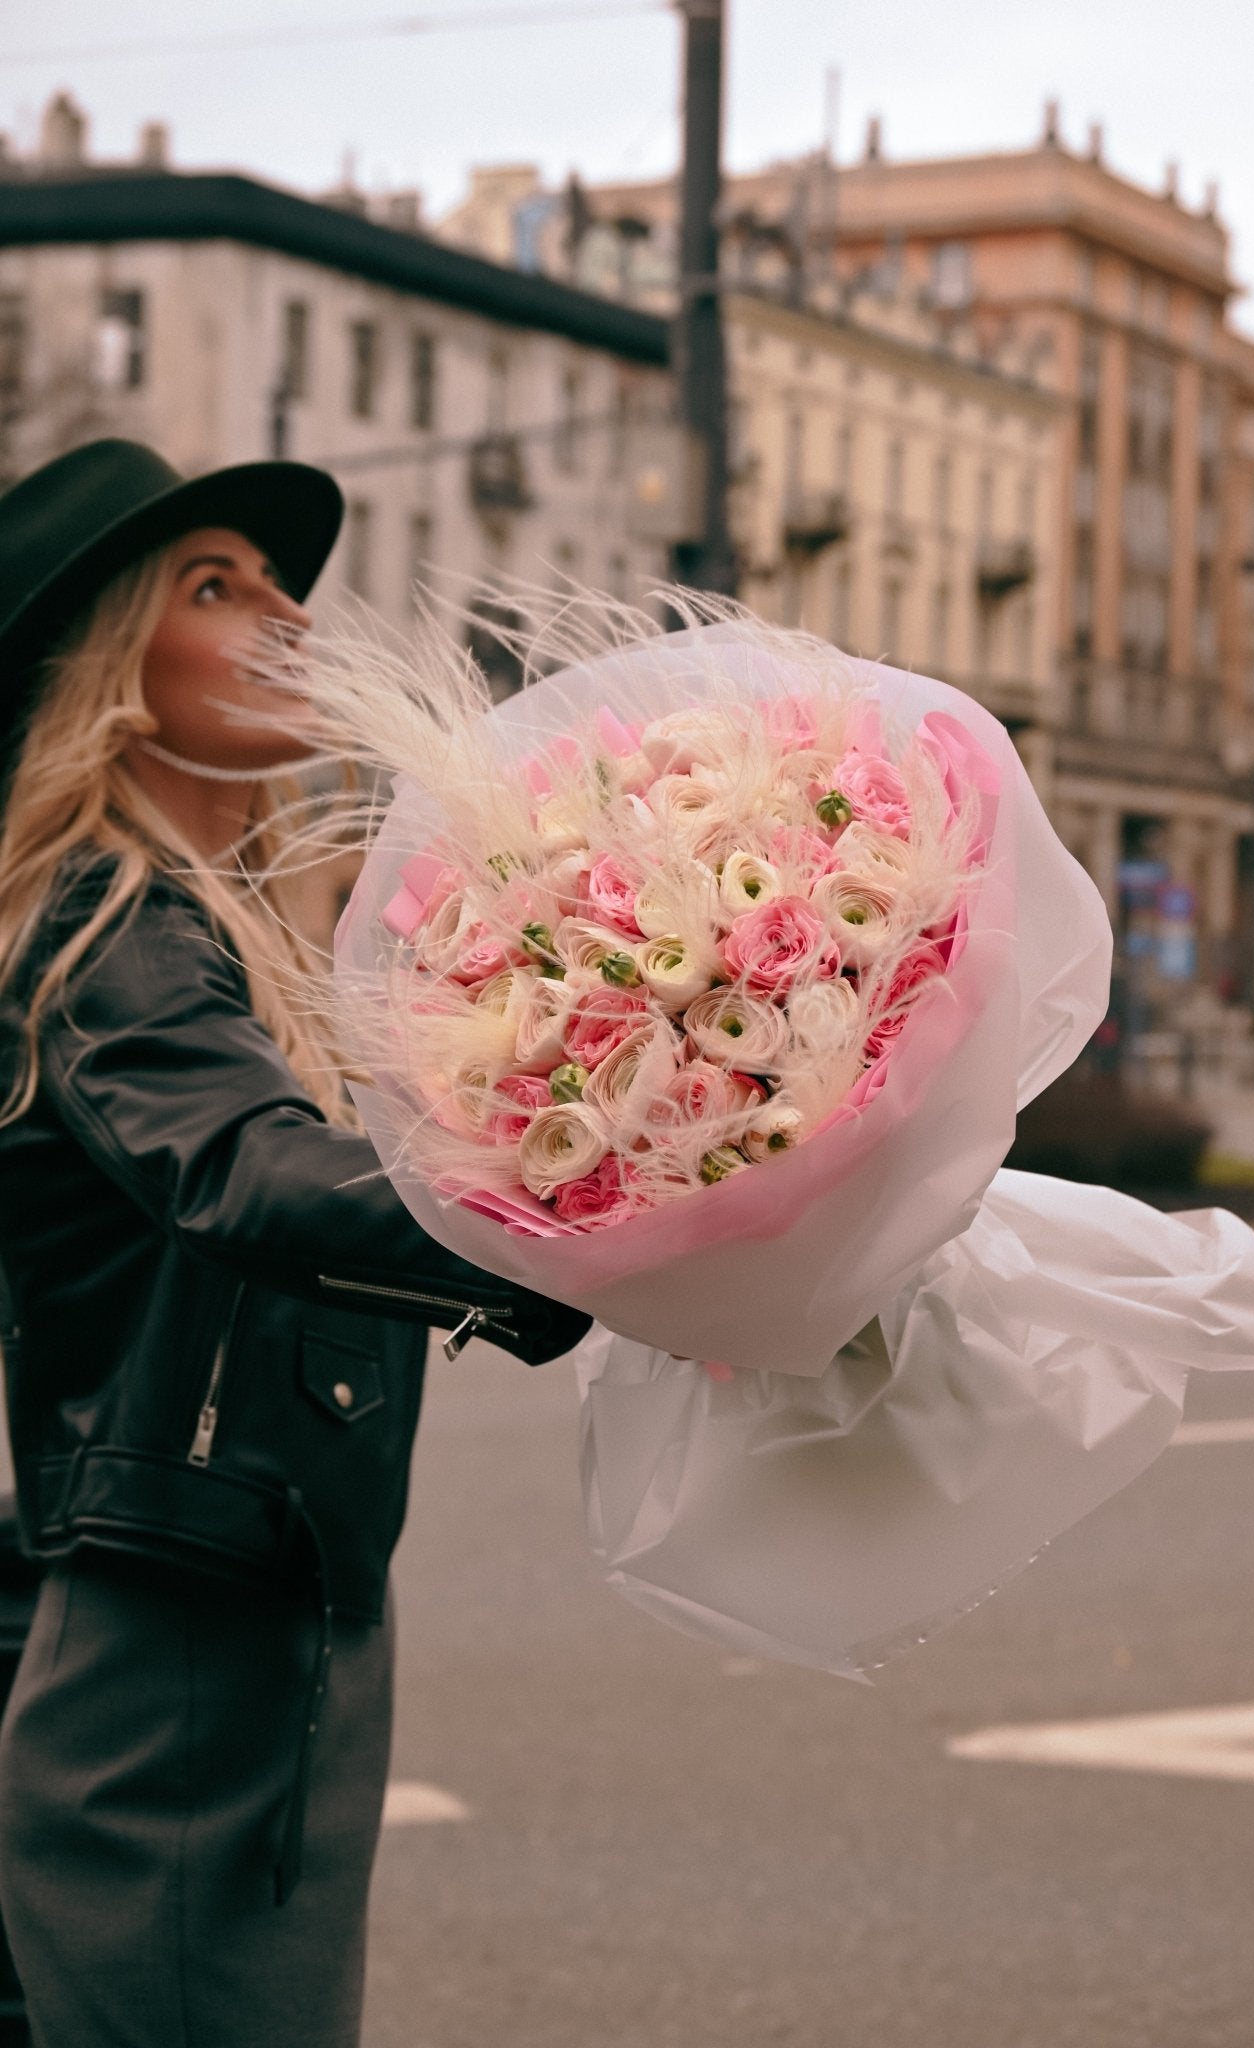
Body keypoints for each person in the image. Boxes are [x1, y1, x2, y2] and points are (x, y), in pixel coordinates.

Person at [0, 439, 591, 2048]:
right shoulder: (104, 917)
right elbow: (252, 1177)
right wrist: (589, 1216)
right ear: (106, 666)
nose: (287, 613)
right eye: (215, 585)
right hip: (177, 1634)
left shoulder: (232, 925)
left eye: (281, 585)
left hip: (259, 1611)